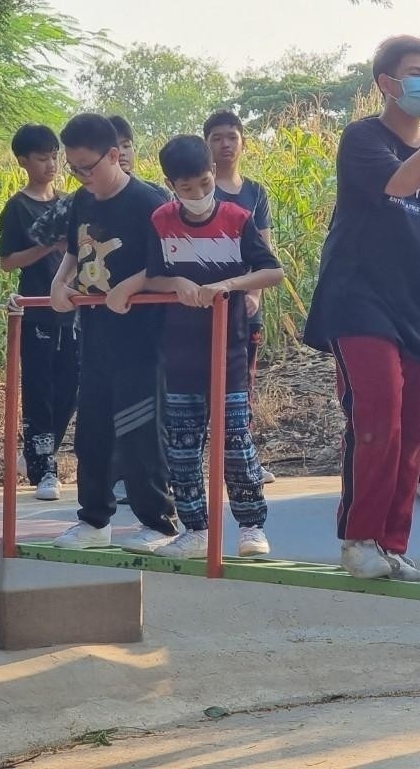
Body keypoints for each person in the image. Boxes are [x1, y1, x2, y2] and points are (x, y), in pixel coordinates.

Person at [303, 34, 420, 581]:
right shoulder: (364, 137)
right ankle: (358, 539)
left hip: (419, 307)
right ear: (387, 83)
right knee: (378, 420)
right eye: (415, 73)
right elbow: (400, 183)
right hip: (360, 301)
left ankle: (392, 544)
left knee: (414, 435)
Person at [113, 135, 284, 559]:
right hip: (179, 352)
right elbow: (154, 275)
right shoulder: (161, 220)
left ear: (213, 175)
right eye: (187, 189)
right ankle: (196, 529)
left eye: (205, 184)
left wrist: (230, 284)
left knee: (235, 441)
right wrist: (178, 283)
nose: (198, 195)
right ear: (171, 186)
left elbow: (272, 271)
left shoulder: (238, 218)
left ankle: (251, 525)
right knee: (183, 447)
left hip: (229, 351)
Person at [48, 113, 178, 552]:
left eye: (88, 167)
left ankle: (158, 522)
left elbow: (166, 264)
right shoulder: (81, 202)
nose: (82, 177)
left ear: (114, 155)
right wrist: (60, 283)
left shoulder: (149, 202)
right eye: (74, 169)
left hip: (141, 338)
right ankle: (94, 519)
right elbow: (74, 251)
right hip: (96, 332)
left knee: (140, 430)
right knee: (93, 430)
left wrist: (131, 285)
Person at [0, 124, 78, 502]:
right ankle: (44, 468)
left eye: (54, 157)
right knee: (39, 390)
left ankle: (38, 454)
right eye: (42, 158)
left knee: (71, 388)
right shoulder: (18, 207)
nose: (51, 164)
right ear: (23, 161)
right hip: (36, 307)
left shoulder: (70, 202)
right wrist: (49, 246)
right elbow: (8, 262)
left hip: (73, 308)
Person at [203, 109, 277, 484]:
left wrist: (254, 293)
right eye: (217, 138)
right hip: (203, 303)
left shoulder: (254, 192)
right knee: (197, 386)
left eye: (232, 136)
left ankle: (244, 461)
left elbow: (265, 250)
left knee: (241, 385)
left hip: (243, 306)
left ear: (243, 142)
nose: (226, 144)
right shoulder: (198, 190)